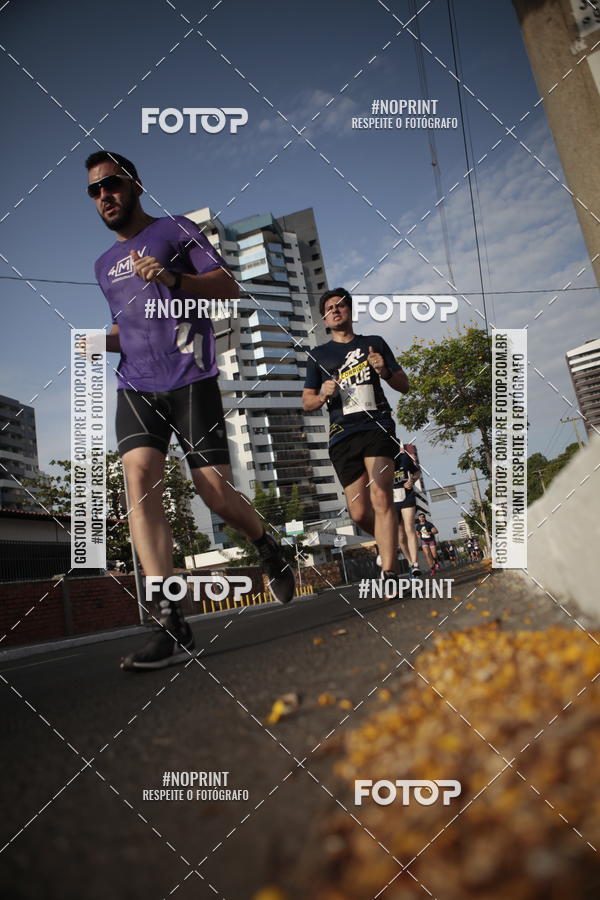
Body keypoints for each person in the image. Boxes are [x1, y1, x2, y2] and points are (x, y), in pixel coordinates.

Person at [86, 151, 294, 670]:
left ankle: (266, 543)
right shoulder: (101, 265)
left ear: (134, 184)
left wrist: (174, 280)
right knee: (137, 479)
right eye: (94, 191)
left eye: (111, 184)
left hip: (192, 380)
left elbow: (227, 286)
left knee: (215, 492)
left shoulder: (176, 230)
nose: (104, 196)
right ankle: (170, 623)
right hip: (136, 385)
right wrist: (95, 341)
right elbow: (129, 331)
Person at [302, 288, 409, 581]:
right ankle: (390, 543)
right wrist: (323, 394)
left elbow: (404, 385)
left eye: (340, 306)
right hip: (341, 435)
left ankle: (389, 570)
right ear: (324, 318)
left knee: (381, 496)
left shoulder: (374, 344)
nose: (335, 310)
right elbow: (307, 402)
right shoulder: (318, 355)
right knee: (359, 513)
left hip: (376, 426)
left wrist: (384, 370)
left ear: (350, 311)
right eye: (329, 308)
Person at [392, 448, 422, 578]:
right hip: (392, 499)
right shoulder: (380, 460)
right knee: (400, 537)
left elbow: (417, 472)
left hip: (407, 496)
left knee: (409, 528)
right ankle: (410, 563)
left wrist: (412, 480)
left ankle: (415, 564)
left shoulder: (404, 457)